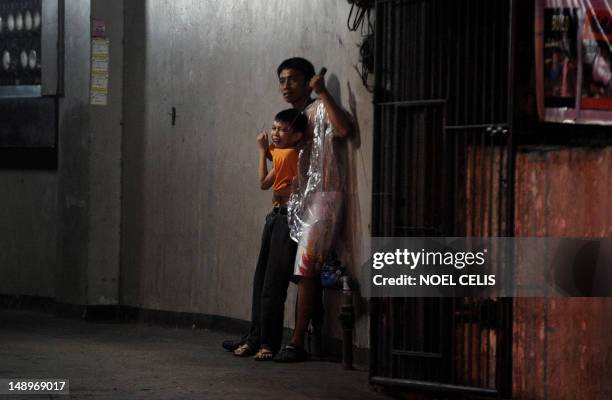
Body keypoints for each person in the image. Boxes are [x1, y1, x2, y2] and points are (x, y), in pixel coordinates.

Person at [273, 57, 353, 362]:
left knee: (305, 269)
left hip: (324, 198)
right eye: (281, 80)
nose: (285, 86)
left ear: (308, 81)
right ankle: (290, 337)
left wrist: (324, 94)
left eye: (292, 79)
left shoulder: (319, 108)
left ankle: (296, 342)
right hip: (304, 200)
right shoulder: (294, 118)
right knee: (301, 270)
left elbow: (344, 130)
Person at [228, 108, 307, 361]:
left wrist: (264, 151)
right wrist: (264, 153)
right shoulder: (284, 156)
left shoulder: (289, 154)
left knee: (273, 283)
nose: (275, 133)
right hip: (275, 217)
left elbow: (269, 180)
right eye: (274, 128)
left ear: (297, 136)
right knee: (261, 280)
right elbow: (264, 183)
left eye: (283, 129)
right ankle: (255, 338)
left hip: (286, 220)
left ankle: (268, 343)